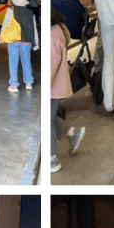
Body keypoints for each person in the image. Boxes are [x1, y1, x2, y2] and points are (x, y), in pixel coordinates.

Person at [50, 9, 85, 174]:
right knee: (49, 117)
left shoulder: (51, 37)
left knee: (46, 121)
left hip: (52, 85)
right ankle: (72, 133)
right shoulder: (61, 28)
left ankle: (51, 159)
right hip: (59, 82)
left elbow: (49, 68)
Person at [5, 0, 38, 92]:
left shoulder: (11, 10)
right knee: (26, 62)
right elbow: (34, 29)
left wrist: (2, 37)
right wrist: (36, 43)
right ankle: (29, 83)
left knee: (13, 63)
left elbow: (6, 25)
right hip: (27, 41)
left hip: (14, 40)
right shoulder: (30, 13)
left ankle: (14, 85)